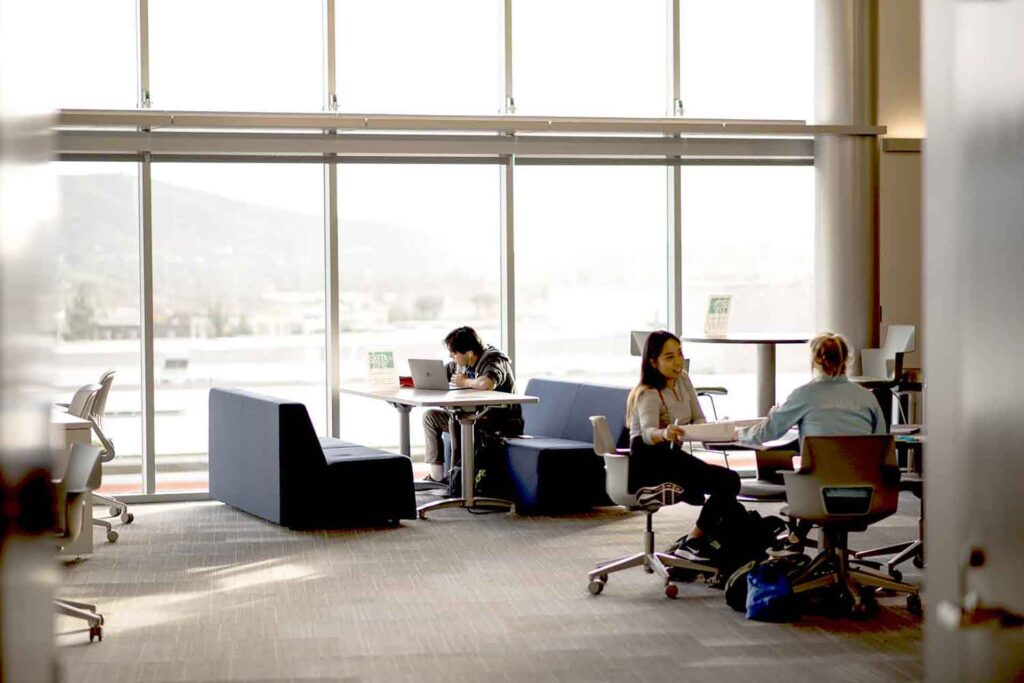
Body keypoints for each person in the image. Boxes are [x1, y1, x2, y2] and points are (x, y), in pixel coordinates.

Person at [626, 329, 741, 559]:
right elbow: (648, 434)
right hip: (649, 458)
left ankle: (702, 543)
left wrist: (713, 430)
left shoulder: (683, 379)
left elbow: (699, 418)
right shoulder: (647, 393)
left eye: (679, 353)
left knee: (727, 491)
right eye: (669, 357)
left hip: (671, 456)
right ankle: (693, 540)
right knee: (728, 483)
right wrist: (665, 433)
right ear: (653, 362)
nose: (677, 361)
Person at [736, 331, 886, 447]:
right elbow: (882, 445)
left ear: (815, 361)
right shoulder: (867, 398)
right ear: (847, 359)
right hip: (864, 483)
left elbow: (768, 433)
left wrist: (739, 434)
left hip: (815, 484)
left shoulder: (803, 396)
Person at [422, 326, 523, 483]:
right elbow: (440, 376)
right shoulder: (460, 363)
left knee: (457, 421)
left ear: (469, 353)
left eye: (454, 353)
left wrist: (464, 382)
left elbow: (487, 383)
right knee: (431, 417)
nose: (451, 356)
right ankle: (437, 477)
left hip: (498, 423)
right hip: (474, 418)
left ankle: (458, 480)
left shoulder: (494, 360)